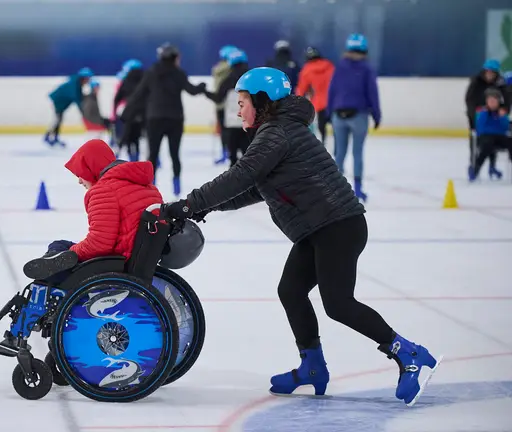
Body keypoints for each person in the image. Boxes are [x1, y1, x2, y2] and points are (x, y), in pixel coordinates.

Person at [160, 67, 440, 407]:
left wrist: (189, 203)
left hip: (337, 226)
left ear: (261, 101)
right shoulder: (280, 130)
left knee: (338, 304)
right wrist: (202, 207)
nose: (238, 111)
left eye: (242, 103)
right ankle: (313, 366)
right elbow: (254, 189)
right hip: (319, 228)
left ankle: (409, 353)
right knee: (291, 290)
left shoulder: (276, 132)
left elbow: (241, 175)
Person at [22, 138, 164, 282]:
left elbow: (99, 244)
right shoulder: (147, 187)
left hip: (116, 262)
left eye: (81, 173)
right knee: (60, 247)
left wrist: (70, 253)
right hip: (138, 259)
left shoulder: (104, 190)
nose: (79, 181)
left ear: (91, 169)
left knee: (59, 249)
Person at [122, 43, 207, 197]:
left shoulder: (151, 72)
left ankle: (150, 185)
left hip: (155, 118)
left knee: (153, 154)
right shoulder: (179, 73)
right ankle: (176, 185)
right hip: (175, 119)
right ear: (174, 57)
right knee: (174, 154)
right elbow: (192, 91)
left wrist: (126, 112)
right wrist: (202, 86)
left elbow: (138, 94)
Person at [327, 33, 381, 202]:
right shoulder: (367, 68)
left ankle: (336, 189)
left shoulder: (340, 67)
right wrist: (376, 115)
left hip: (338, 114)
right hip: (358, 115)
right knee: (357, 153)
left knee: (339, 153)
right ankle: (357, 189)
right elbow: (372, 93)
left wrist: (329, 112)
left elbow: (332, 90)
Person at [204, 49, 251, 166]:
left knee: (233, 158)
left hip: (232, 123)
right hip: (249, 122)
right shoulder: (252, 80)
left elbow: (218, 99)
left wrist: (204, 92)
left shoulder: (228, 80)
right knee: (249, 156)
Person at [464, 60, 509, 178]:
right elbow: (470, 100)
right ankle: (473, 165)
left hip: (495, 114)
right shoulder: (476, 82)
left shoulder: (500, 82)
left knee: (494, 136)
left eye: (492, 73)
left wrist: (504, 110)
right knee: (478, 141)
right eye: (488, 72)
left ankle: (492, 166)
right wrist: (474, 118)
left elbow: (507, 98)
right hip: (479, 114)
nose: (489, 75)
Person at [469, 88, 512, 181]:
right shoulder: (482, 112)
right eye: (490, 100)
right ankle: (476, 168)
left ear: (498, 101)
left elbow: (506, 127)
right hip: (485, 136)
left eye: (494, 100)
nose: (492, 103)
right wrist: (485, 113)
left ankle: (492, 167)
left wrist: (502, 117)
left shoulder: (502, 113)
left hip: (500, 137)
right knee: (487, 144)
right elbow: (480, 126)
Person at [45, 67, 94, 147]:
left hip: (60, 101)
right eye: (88, 78)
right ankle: (47, 136)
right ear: (84, 78)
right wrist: (84, 113)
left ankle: (54, 137)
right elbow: (77, 99)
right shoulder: (74, 85)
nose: (89, 80)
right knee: (58, 119)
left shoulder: (77, 83)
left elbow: (79, 98)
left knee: (59, 119)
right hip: (58, 101)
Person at [296, 47, 334, 145]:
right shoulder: (329, 66)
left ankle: (323, 142)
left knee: (321, 127)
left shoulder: (306, 70)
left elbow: (301, 89)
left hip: (319, 103)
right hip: (333, 101)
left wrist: (297, 102)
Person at [113, 59, 145, 161]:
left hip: (129, 114)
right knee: (138, 138)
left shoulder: (126, 81)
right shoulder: (145, 80)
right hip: (142, 114)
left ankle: (124, 155)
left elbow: (117, 98)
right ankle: (142, 158)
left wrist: (114, 113)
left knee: (126, 136)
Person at [212, 45, 239, 165]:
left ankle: (224, 152)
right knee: (231, 131)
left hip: (219, 103)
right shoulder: (231, 70)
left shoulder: (217, 68)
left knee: (223, 130)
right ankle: (231, 152)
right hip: (230, 104)